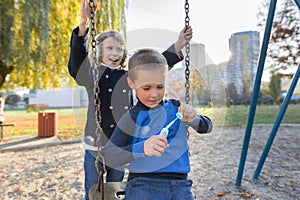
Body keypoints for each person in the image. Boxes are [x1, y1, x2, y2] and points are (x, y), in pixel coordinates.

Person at [68, 0, 193, 199]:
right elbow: (76, 65)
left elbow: (154, 64)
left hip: (121, 146)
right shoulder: (93, 75)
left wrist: (178, 45)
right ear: (99, 51)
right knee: (94, 193)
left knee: (117, 191)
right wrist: (84, 24)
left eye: (119, 49)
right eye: (110, 48)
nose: (115, 53)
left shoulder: (129, 77)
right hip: (96, 147)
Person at [102, 48, 213, 200]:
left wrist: (194, 119)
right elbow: (109, 155)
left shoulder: (176, 108)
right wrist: (142, 148)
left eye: (159, 87)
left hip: (180, 185)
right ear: (131, 83)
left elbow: (208, 127)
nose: (154, 94)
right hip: (143, 184)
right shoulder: (132, 117)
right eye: (146, 88)